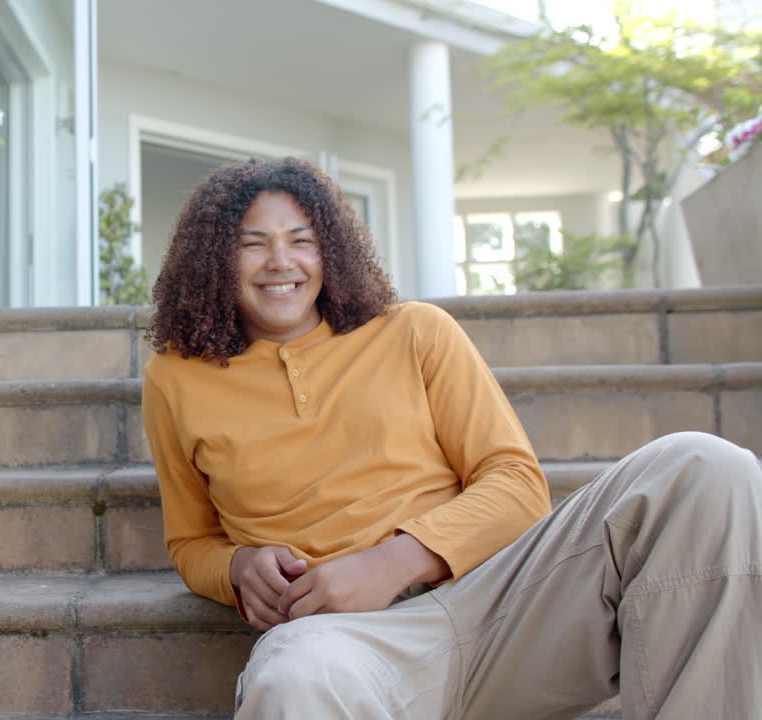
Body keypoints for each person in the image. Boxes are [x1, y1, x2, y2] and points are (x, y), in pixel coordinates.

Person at [141, 156, 762, 719]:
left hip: (507, 604)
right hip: (345, 644)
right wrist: (238, 565)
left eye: (302, 241)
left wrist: (390, 562)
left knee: (706, 469)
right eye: (254, 245)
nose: (282, 263)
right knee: (291, 680)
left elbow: (519, 487)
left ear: (328, 251)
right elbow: (192, 540)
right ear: (217, 259)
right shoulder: (176, 378)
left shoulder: (415, 332)